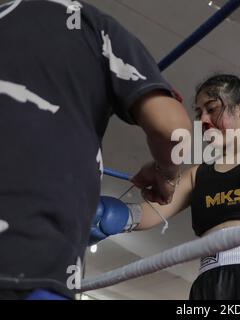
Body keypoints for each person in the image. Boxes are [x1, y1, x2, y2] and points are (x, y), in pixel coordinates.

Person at [0, 0, 192, 300]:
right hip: (29, 256)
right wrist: (166, 173)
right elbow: (172, 129)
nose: (205, 118)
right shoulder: (90, 25)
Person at [91, 74, 240, 300]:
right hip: (211, 282)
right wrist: (107, 215)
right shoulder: (198, 173)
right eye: (199, 113)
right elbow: (151, 212)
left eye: (212, 109)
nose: (203, 120)